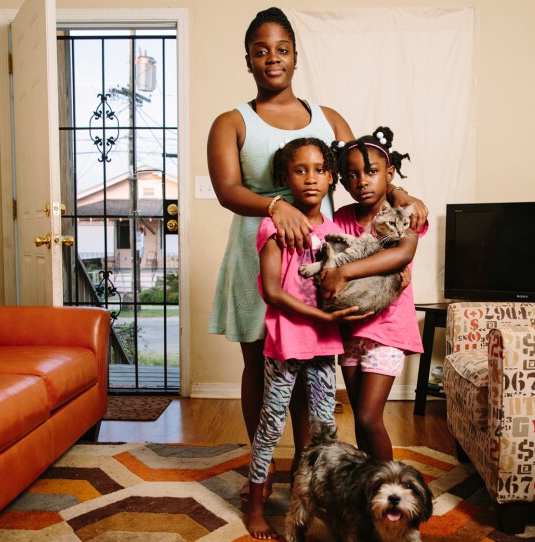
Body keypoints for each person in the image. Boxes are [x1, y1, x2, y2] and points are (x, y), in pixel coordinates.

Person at [206, 6, 428, 495]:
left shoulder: (329, 118)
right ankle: (260, 472)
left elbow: (362, 170)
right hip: (258, 255)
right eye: (260, 52)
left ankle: (305, 474)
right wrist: (273, 207)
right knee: (261, 366)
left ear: (295, 57)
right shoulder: (231, 121)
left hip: (322, 258)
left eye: (281, 50)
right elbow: (226, 189)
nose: (272, 59)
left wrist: (403, 202)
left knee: (313, 364)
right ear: (247, 60)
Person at [246, 138, 369, 538]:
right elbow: (272, 290)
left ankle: (319, 500)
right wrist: (318, 315)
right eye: (300, 170)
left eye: (319, 169)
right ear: (285, 177)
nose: (311, 178)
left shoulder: (335, 234)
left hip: (323, 347)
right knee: (271, 422)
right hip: (285, 343)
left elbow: (351, 276)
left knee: (324, 429)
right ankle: (256, 503)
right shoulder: (274, 225)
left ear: (331, 177)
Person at [322, 127, 428, 461]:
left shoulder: (404, 212)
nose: (362, 181)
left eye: (371, 172)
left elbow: (401, 254)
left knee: (369, 417)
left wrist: (346, 271)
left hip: (388, 330)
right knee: (361, 422)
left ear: (389, 173)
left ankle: (390, 487)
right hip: (352, 328)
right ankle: (368, 490)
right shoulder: (342, 218)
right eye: (351, 175)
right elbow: (331, 257)